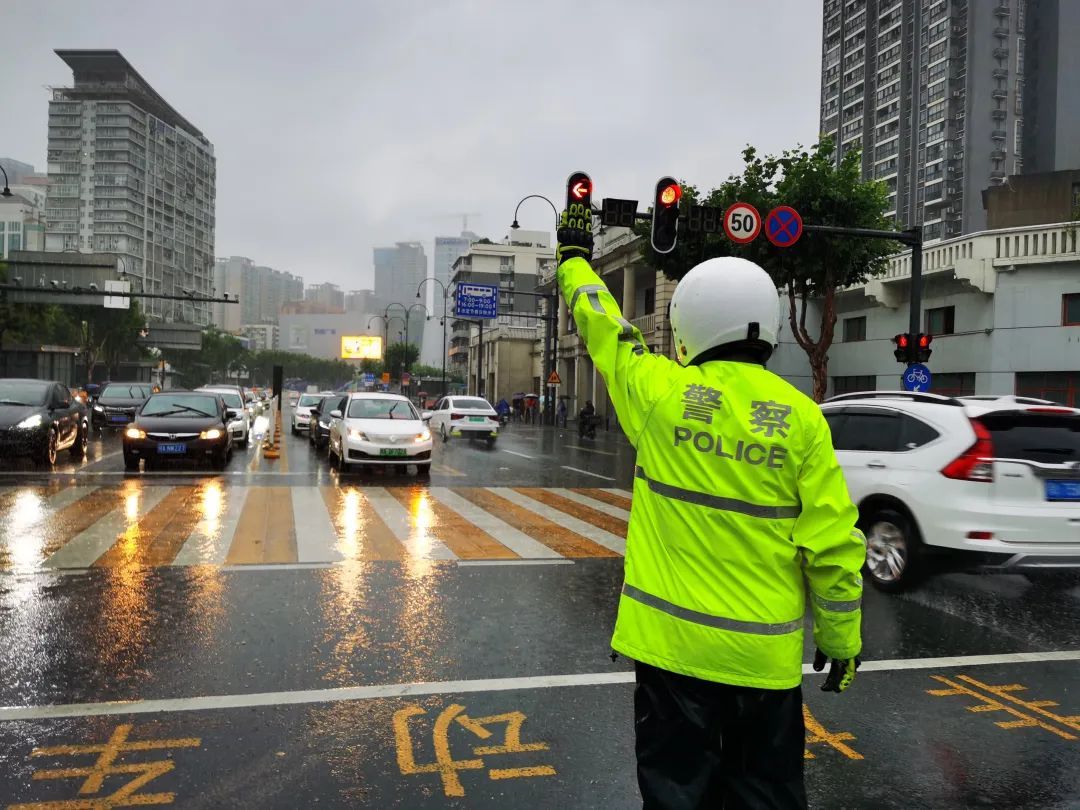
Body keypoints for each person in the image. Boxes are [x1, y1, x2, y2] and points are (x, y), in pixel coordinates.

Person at [555, 203, 865, 809]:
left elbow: (605, 325)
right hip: (765, 663)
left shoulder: (660, 394)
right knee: (765, 797)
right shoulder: (803, 420)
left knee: (676, 796)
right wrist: (841, 639)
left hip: (673, 658)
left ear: (689, 324)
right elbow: (832, 544)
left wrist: (573, 261)